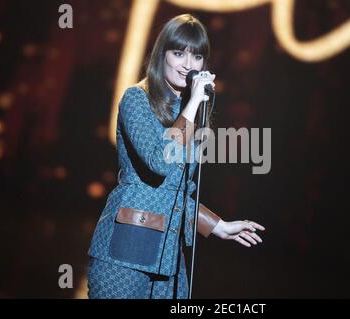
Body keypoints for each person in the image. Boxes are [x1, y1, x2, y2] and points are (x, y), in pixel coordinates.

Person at [87, 13, 265, 299]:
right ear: (162, 55)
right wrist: (193, 104)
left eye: (197, 57)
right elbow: (159, 162)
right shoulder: (137, 99)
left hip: (168, 258)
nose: (188, 65)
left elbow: (178, 191)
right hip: (125, 253)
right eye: (179, 53)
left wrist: (218, 226)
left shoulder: (189, 115)